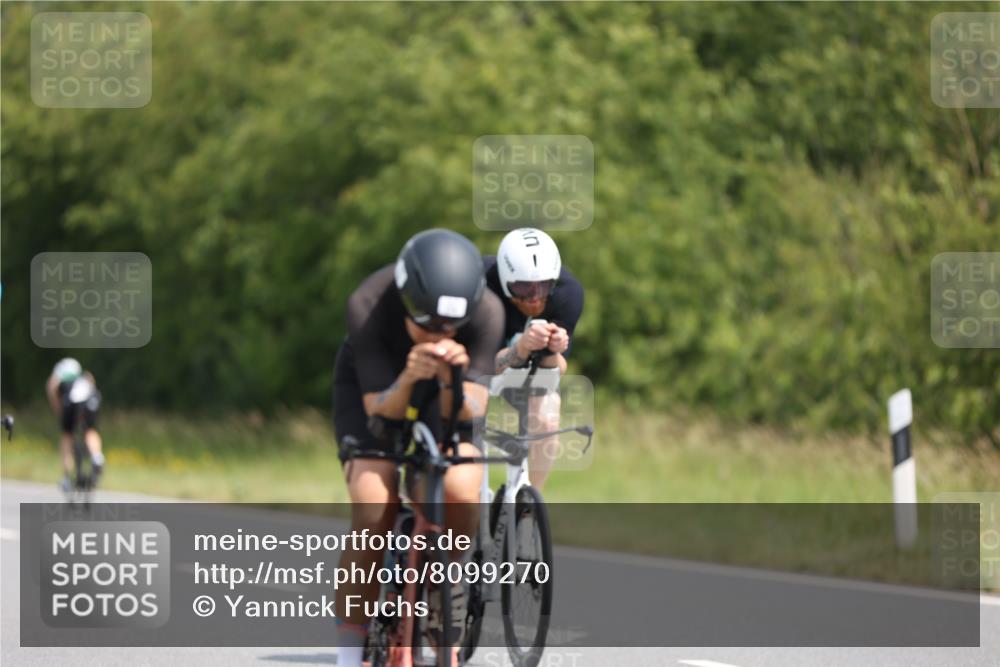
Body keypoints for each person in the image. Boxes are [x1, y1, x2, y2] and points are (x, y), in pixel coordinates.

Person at [331, 229, 504, 667]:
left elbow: (472, 411)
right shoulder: (369, 304)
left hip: (449, 392)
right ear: (407, 302)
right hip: (377, 390)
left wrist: (451, 382)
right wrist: (409, 377)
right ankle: (349, 654)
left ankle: (444, 579)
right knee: (374, 505)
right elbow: (380, 414)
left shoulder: (486, 312)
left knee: (462, 489)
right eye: (426, 325)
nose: (438, 335)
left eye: (450, 328)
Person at [484, 228, 584, 490]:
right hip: (479, 364)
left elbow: (556, 371)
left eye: (543, 286)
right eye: (523, 289)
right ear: (506, 281)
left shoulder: (567, 293)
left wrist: (553, 350)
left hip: (525, 372)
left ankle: (530, 498)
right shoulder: (482, 286)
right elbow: (486, 366)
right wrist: (524, 347)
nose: (535, 297)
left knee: (547, 416)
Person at [46, 358, 105, 491]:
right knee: (90, 431)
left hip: (70, 403)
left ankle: (66, 476)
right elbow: (92, 384)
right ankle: (97, 457)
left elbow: (52, 388)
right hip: (91, 399)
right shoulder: (85, 376)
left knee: (67, 436)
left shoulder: (58, 377)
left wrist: (60, 412)